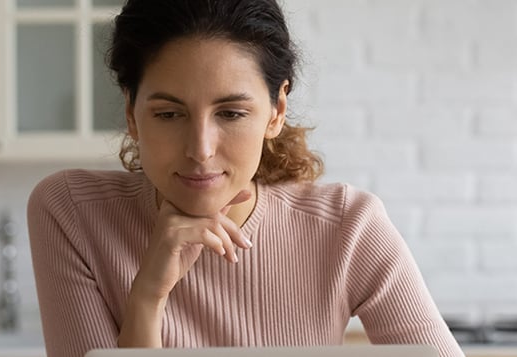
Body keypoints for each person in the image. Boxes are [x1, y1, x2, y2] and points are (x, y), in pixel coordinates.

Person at [26, 1, 464, 356]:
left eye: (231, 113)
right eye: (169, 114)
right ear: (131, 114)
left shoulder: (348, 226)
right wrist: (147, 297)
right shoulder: (72, 212)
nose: (200, 148)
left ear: (277, 111)